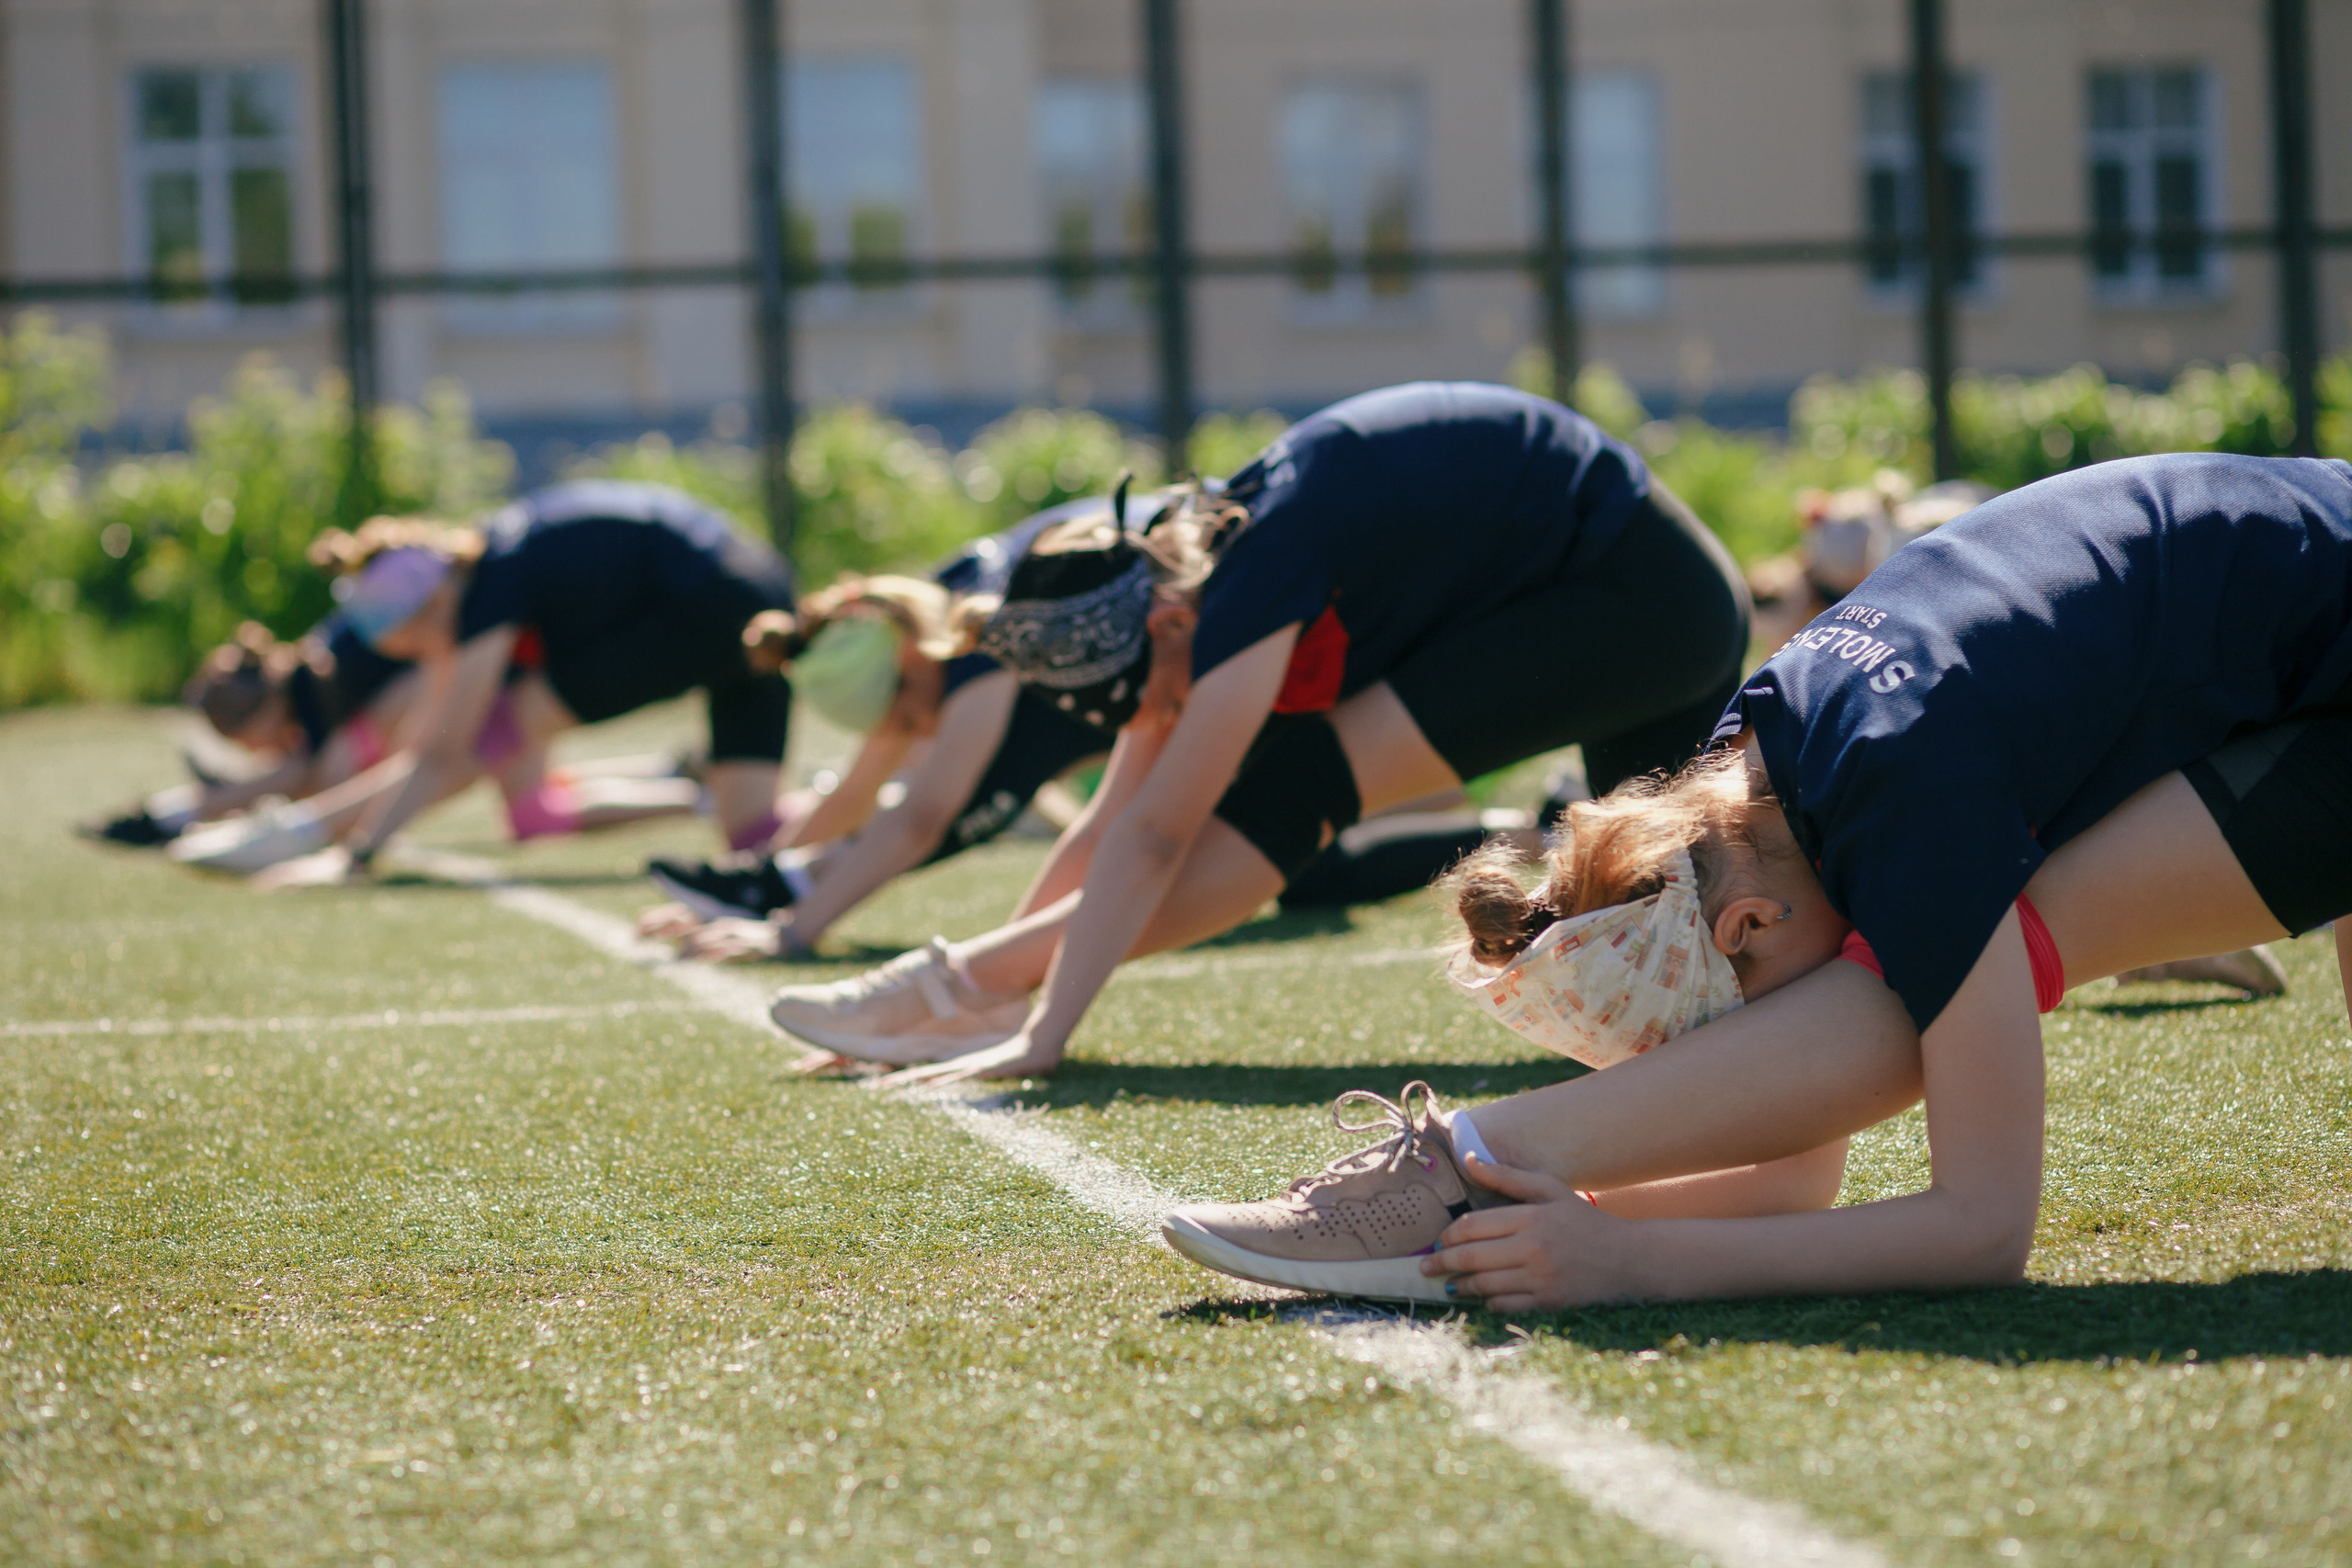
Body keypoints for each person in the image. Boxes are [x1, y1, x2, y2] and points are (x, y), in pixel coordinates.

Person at [1161, 450, 2352, 1310]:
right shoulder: (1764, 737)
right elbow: (1793, 1160)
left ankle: (1447, 1161)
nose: (1754, 1057)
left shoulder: (1895, 789)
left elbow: (1986, 1224)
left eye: (1728, 1029)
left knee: (1980, 944)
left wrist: (1628, 1264)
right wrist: (1554, 1216)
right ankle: (1457, 1170)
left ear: (1746, 919)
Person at [757, 380, 1752, 1069]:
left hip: (1638, 598)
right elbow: (1111, 819)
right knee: (1675, 931)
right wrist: (1005, 985)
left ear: (1169, 626)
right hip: (1624, 585)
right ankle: (972, 984)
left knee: (1294, 789)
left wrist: (1041, 1028)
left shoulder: (1244, 578)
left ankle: (966, 984)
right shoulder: (1185, 574)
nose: (1151, 721)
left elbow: (1156, 837)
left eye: (1150, 696)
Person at [248, 479, 795, 886]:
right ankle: (855, 815)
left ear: (433, 606)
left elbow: (445, 753)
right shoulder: (490, 560)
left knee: (502, 729)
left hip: (712, 604)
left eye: (421, 647)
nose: (434, 659)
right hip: (763, 590)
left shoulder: (489, 589)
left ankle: (314, 836)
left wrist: (351, 852)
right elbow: (433, 741)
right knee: (753, 840)